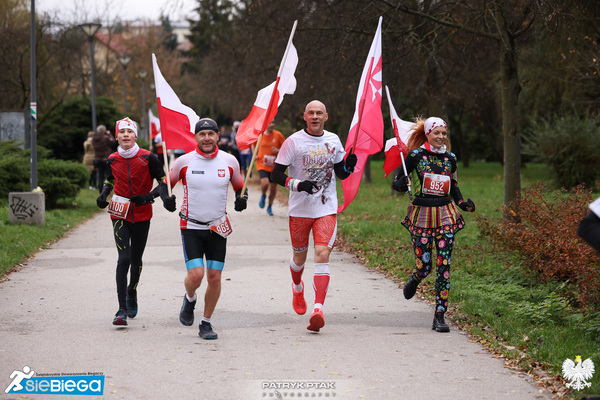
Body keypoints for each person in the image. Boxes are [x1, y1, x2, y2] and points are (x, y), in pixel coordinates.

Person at [271, 100, 357, 333]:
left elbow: (341, 173)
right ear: (305, 116)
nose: (315, 116)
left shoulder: (333, 140)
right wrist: (298, 185)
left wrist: (348, 167)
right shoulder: (293, 142)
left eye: (319, 113)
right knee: (299, 258)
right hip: (299, 210)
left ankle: (318, 309)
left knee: (322, 253)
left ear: (326, 117)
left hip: (325, 208)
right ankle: (297, 288)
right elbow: (275, 174)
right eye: (311, 113)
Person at [391, 117, 475, 333]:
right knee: (425, 266)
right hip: (422, 215)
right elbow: (398, 179)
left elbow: (453, 185)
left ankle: (439, 315)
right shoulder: (416, 156)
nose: (441, 137)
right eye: (436, 133)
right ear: (427, 134)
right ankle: (416, 277)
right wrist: (400, 184)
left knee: (444, 266)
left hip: (446, 214)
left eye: (443, 133)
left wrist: (463, 203)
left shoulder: (451, 158)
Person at [168, 118, 247, 340]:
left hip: (217, 228)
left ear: (217, 136)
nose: (206, 138)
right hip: (191, 226)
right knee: (196, 275)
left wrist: (243, 199)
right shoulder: (184, 161)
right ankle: (190, 298)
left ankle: (206, 323)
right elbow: (166, 185)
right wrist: (166, 198)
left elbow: (240, 186)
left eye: (210, 134)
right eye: (202, 134)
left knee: (214, 277)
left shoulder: (229, 161)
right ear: (195, 137)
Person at [96, 117, 175, 326]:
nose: (125, 135)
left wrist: (149, 197)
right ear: (116, 136)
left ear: (135, 136)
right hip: (119, 213)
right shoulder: (112, 159)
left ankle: (132, 291)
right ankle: (121, 308)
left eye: (129, 132)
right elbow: (109, 179)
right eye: (121, 132)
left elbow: (164, 182)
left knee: (136, 259)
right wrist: (104, 195)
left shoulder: (149, 158)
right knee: (124, 259)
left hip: (141, 213)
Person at [256, 121, 286, 216]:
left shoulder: (278, 135)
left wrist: (278, 150)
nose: (272, 125)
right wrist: (255, 154)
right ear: (265, 124)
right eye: (270, 123)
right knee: (265, 183)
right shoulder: (260, 135)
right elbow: (253, 145)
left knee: (273, 188)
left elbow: (286, 148)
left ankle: (269, 206)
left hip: (274, 166)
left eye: (273, 123)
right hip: (262, 164)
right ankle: (263, 195)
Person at [92, 124, 116, 193]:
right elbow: (113, 142)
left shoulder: (94, 138)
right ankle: (106, 190)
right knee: (108, 175)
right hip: (105, 158)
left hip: (97, 159)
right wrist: (109, 134)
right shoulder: (105, 138)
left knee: (100, 175)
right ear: (104, 131)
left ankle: (100, 190)